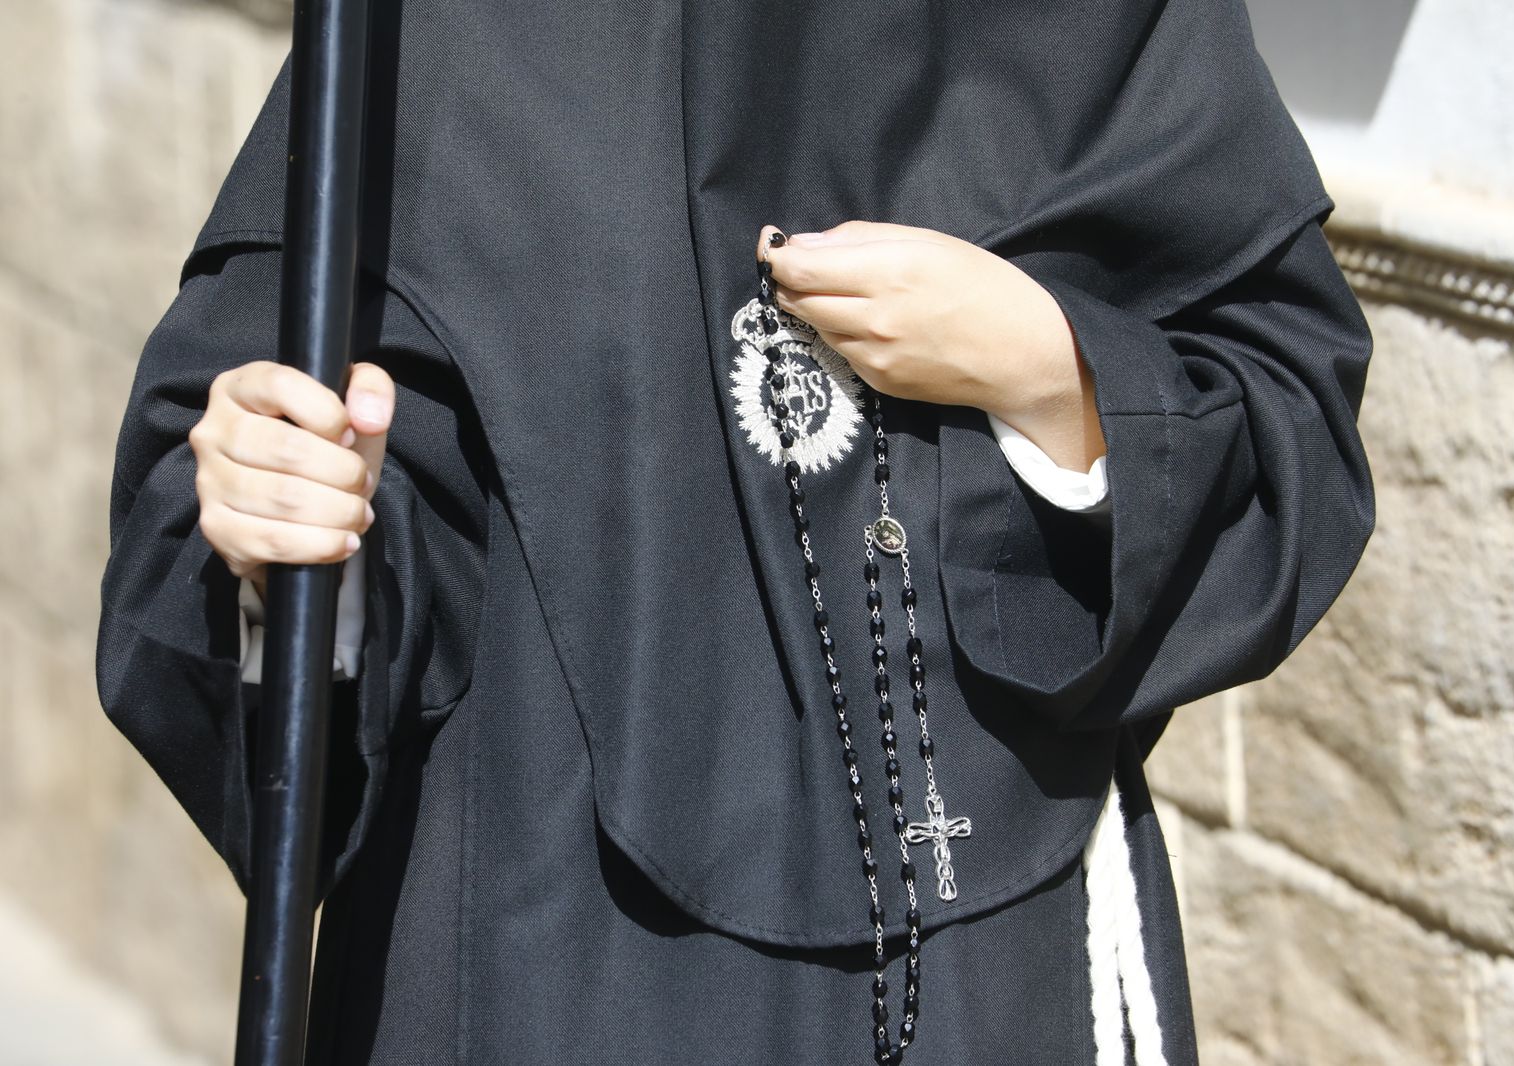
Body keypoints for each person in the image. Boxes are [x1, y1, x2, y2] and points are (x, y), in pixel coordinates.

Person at [96, 1, 1376, 1063]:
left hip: (984, 945)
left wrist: (1050, 371)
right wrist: (284, 519)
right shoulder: (455, 29)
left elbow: (1280, 417)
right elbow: (291, 525)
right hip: (547, 941)